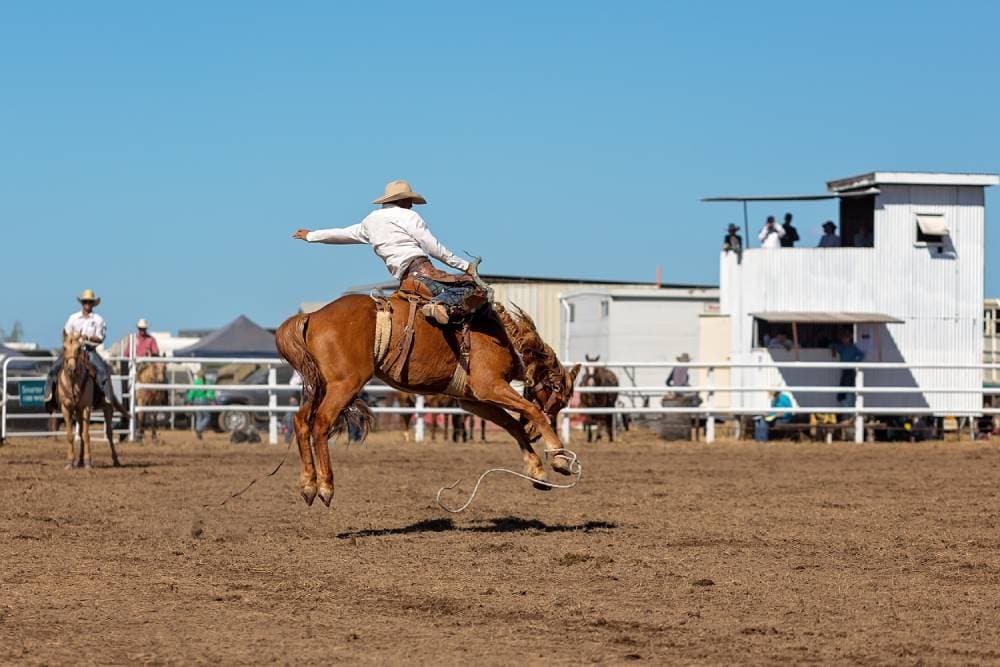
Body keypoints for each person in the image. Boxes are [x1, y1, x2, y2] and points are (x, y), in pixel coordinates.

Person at [292, 179, 484, 325]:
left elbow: (341, 234)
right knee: (472, 288)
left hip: (405, 281)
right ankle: (440, 304)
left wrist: (312, 235)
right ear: (402, 200)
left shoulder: (369, 222)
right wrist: (466, 266)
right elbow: (432, 246)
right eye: (410, 200)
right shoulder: (408, 216)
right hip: (424, 274)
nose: (412, 205)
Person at [44, 289, 127, 414]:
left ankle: (106, 398)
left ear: (93, 304)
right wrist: (73, 338)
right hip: (73, 350)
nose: (87, 304)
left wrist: (88, 338)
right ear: (82, 303)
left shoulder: (98, 320)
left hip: (89, 350)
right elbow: (66, 334)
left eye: (89, 302)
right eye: (85, 302)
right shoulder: (73, 318)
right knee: (54, 369)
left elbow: (100, 338)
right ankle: (50, 397)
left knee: (103, 371)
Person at [831, 330, 865, 407]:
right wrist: (833, 350)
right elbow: (832, 345)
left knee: (849, 388)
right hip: (844, 370)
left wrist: (855, 362)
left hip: (850, 370)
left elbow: (862, 355)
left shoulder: (853, 347)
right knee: (844, 388)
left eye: (846, 338)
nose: (844, 340)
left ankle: (850, 406)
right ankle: (846, 405)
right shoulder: (841, 347)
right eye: (843, 338)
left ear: (849, 338)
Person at [185, 369, 216, 440]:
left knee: (199, 417)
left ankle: (198, 432)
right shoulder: (207, 382)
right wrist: (212, 399)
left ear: (198, 375)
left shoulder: (195, 383)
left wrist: (189, 401)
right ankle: (199, 429)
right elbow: (210, 393)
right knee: (207, 417)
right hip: (204, 401)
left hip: (196, 401)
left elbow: (191, 393)